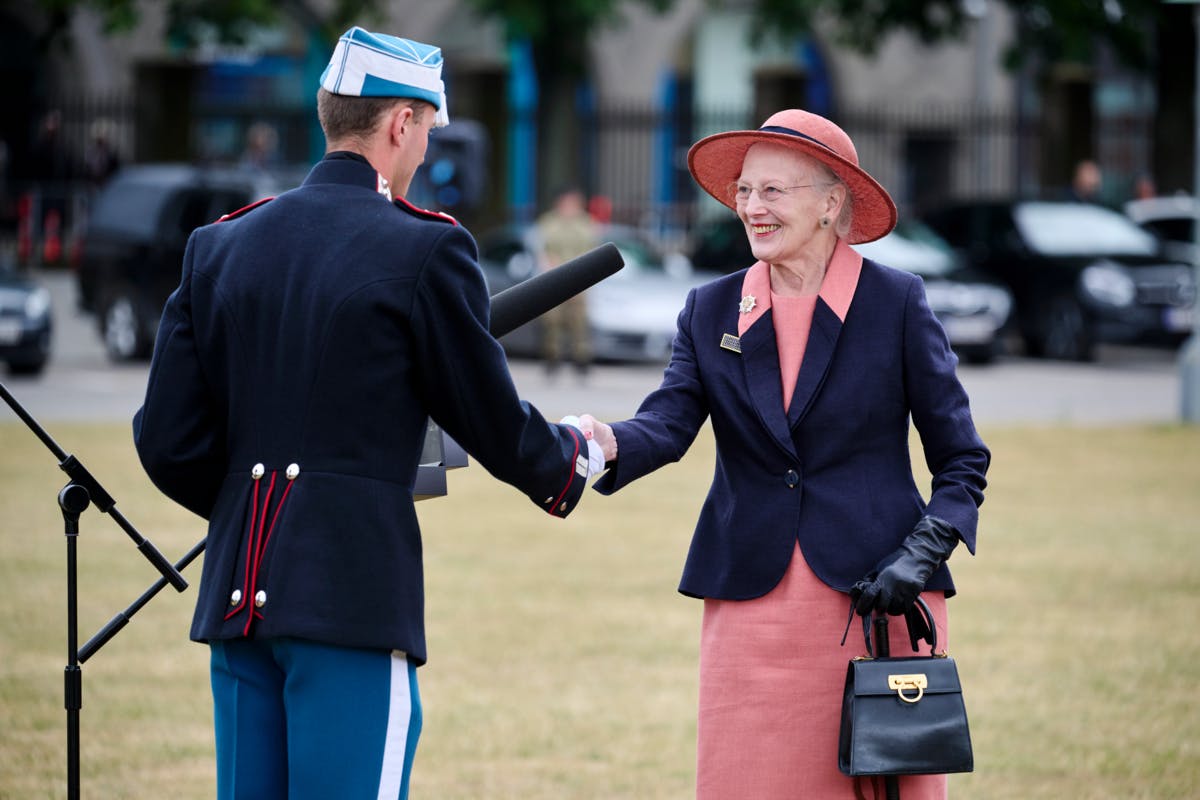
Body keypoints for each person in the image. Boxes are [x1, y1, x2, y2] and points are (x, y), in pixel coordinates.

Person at [132, 26, 601, 800]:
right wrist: (571, 457)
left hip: (239, 606)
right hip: (347, 594)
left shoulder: (220, 246)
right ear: (399, 124)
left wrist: (250, 509)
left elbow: (166, 439)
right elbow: (490, 417)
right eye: (427, 129)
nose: (425, 150)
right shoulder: (423, 248)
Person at [578, 109, 990, 799]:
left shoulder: (896, 302)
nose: (751, 207)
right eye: (745, 190)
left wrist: (921, 554)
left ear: (832, 203)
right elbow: (669, 422)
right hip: (750, 607)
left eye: (773, 191)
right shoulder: (710, 308)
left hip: (874, 604)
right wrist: (604, 441)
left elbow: (961, 461)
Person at [534, 185, 598, 376]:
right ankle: (552, 357)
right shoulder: (549, 222)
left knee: (578, 321)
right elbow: (543, 249)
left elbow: (591, 250)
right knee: (552, 320)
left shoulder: (585, 223)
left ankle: (581, 359)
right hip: (555, 277)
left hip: (579, 278)